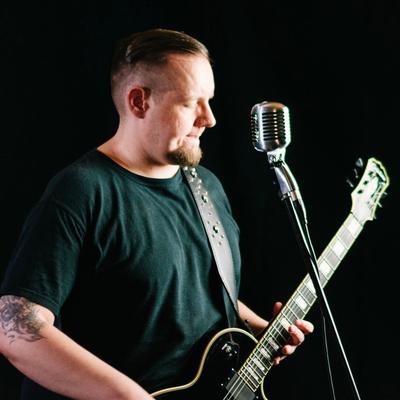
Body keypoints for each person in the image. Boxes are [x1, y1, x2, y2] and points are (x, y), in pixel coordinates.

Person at [0, 28, 314, 400]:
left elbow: (191, 292)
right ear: (139, 102)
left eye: (209, 101)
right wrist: (130, 396)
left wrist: (256, 328)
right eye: (191, 103)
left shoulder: (207, 187)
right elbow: (12, 329)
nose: (209, 118)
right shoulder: (82, 191)